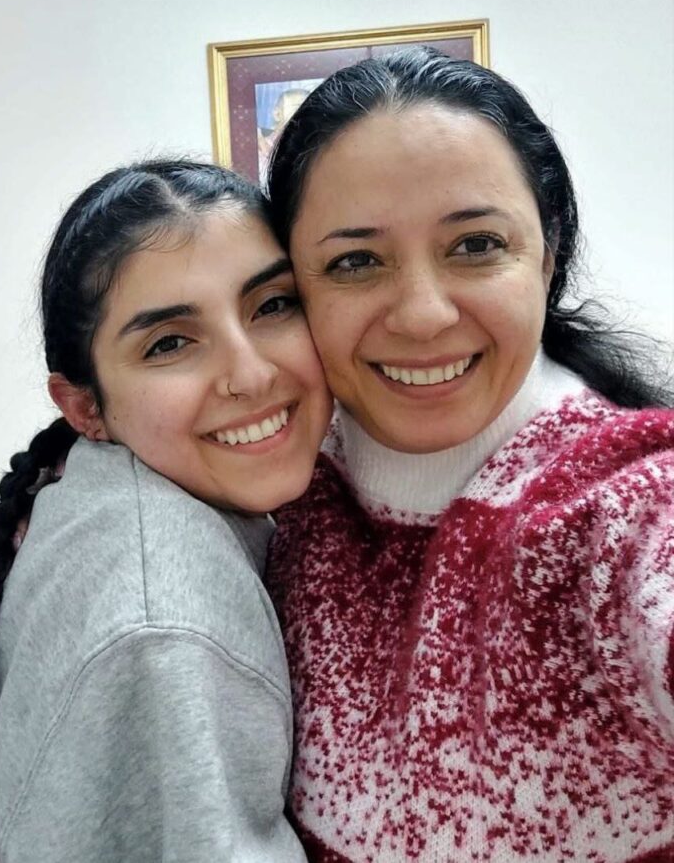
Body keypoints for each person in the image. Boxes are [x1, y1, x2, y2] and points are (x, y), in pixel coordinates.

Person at [262, 47, 674, 862]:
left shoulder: (627, 499)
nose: (422, 314)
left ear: (548, 254)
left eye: (476, 245)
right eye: (355, 261)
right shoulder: (276, 490)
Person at [0, 160, 332, 863]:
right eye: (170, 343)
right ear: (84, 406)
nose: (251, 374)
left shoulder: (94, 489)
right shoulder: (162, 621)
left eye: (273, 305)